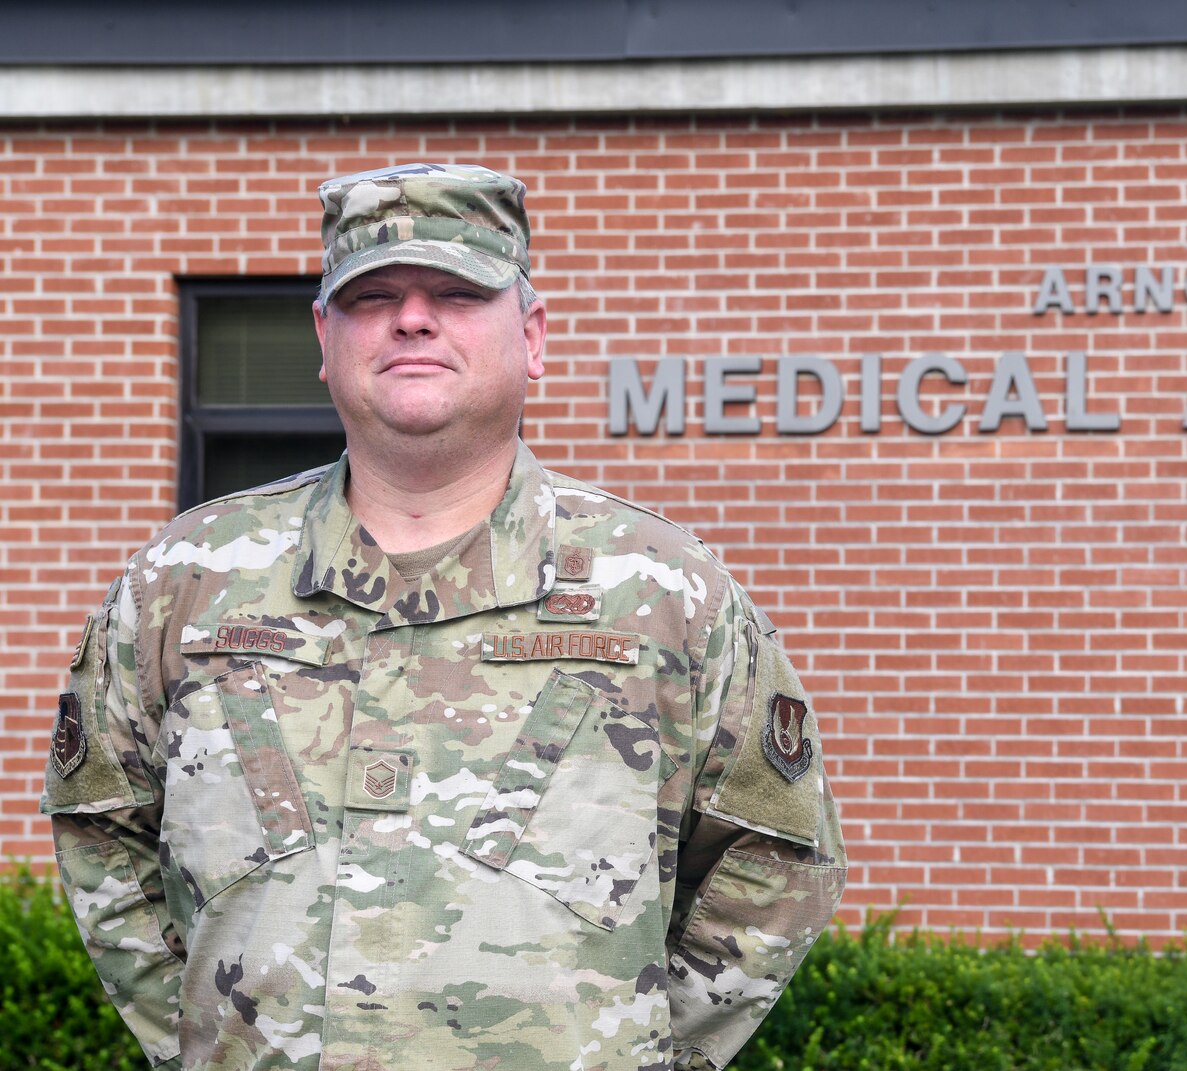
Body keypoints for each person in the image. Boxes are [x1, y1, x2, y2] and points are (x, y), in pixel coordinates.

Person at [40, 163, 845, 1071]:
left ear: (532, 336)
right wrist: (208, 1046)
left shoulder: (668, 595)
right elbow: (101, 823)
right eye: (372, 295)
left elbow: (779, 852)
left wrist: (640, 1053)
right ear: (324, 336)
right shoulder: (181, 586)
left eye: (457, 292)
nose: (412, 317)